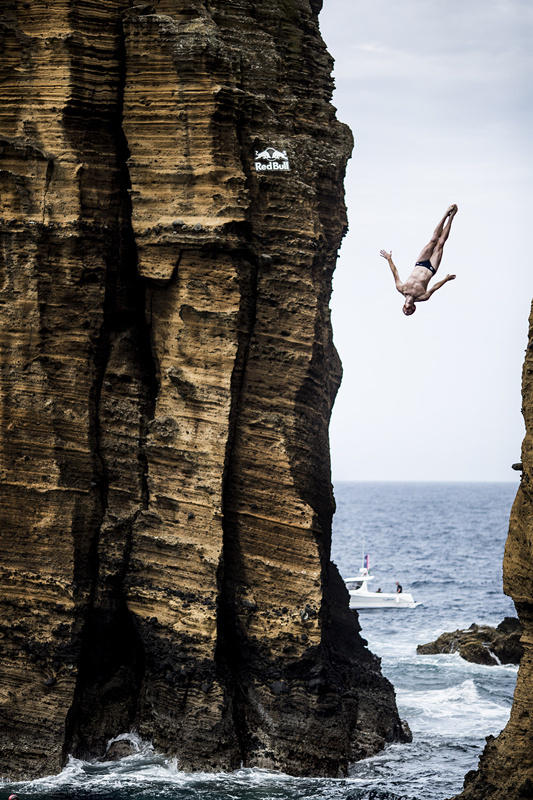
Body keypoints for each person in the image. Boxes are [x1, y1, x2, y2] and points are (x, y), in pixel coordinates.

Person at [380, 204, 458, 315]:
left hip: (420, 263)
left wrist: (389, 259)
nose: (408, 309)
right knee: (440, 243)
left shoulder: (401, 288)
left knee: (433, 240)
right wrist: (445, 279)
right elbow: (434, 288)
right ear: (414, 308)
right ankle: (452, 217)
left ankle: (446, 214)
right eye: (409, 310)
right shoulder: (422, 297)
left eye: (405, 310)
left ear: (404, 305)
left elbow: (395, 272)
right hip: (431, 268)